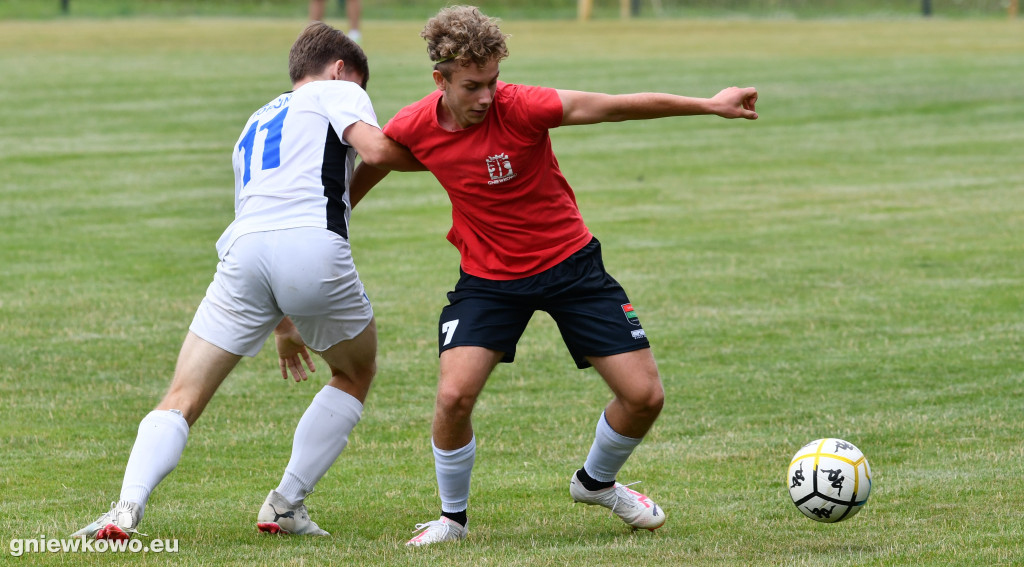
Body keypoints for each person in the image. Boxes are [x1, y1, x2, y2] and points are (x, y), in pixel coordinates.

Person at [349, 5, 758, 546]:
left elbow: (614, 108)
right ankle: (452, 520)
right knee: (453, 397)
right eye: (472, 86)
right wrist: (337, 219)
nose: (487, 96)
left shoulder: (523, 106)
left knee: (645, 398)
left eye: (493, 81)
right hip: (489, 279)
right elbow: (375, 161)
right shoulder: (415, 124)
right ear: (439, 80)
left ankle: (596, 482)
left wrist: (709, 105)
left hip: (571, 265)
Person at [72, 21, 421, 540]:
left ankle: (126, 506)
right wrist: (454, 157)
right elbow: (375, 151)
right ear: (341, 69)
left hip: (243, 254)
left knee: (182, 396)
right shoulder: (338, 89)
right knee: (354, 372)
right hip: (310, 247)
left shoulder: (257, 119)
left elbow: (282, 206)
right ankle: (285, 503)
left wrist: (283, 324)